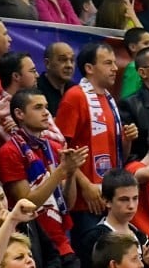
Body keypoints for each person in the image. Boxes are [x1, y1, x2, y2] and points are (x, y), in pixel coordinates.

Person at [0, 88, 86, 268]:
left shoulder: (53, 147)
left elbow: (68, 204)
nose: (46, 113)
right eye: (38, 107)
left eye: (46, 107)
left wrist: (71, 173)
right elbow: (26, 202)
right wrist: (60, 172)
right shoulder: (9, 152)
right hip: (34, 245)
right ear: (19, 114)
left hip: (63, 241)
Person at [56, 42, 139, 238]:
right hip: (84, 202)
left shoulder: (110, 100)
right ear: (89, 68)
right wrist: (86, 186)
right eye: (108, 63)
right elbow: (59, 149)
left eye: (114, 63)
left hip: (108, 198)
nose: (115, 68)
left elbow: (119, 155)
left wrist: (127, 140)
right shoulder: (75, 96)